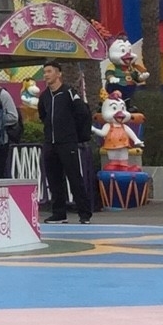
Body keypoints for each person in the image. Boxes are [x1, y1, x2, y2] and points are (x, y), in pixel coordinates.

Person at [37, 60, 94, 224]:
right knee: (54, 179)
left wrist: (75, 134)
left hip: (67, 143)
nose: (46, 75)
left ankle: (84, 214)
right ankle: (59, 213)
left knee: (74, 177)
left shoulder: (69, 92)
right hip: (50, 143)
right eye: (45, 72)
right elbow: (43, 115)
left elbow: (82, 113)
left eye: (49, 71)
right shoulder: (45, 96)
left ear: (58, 73)